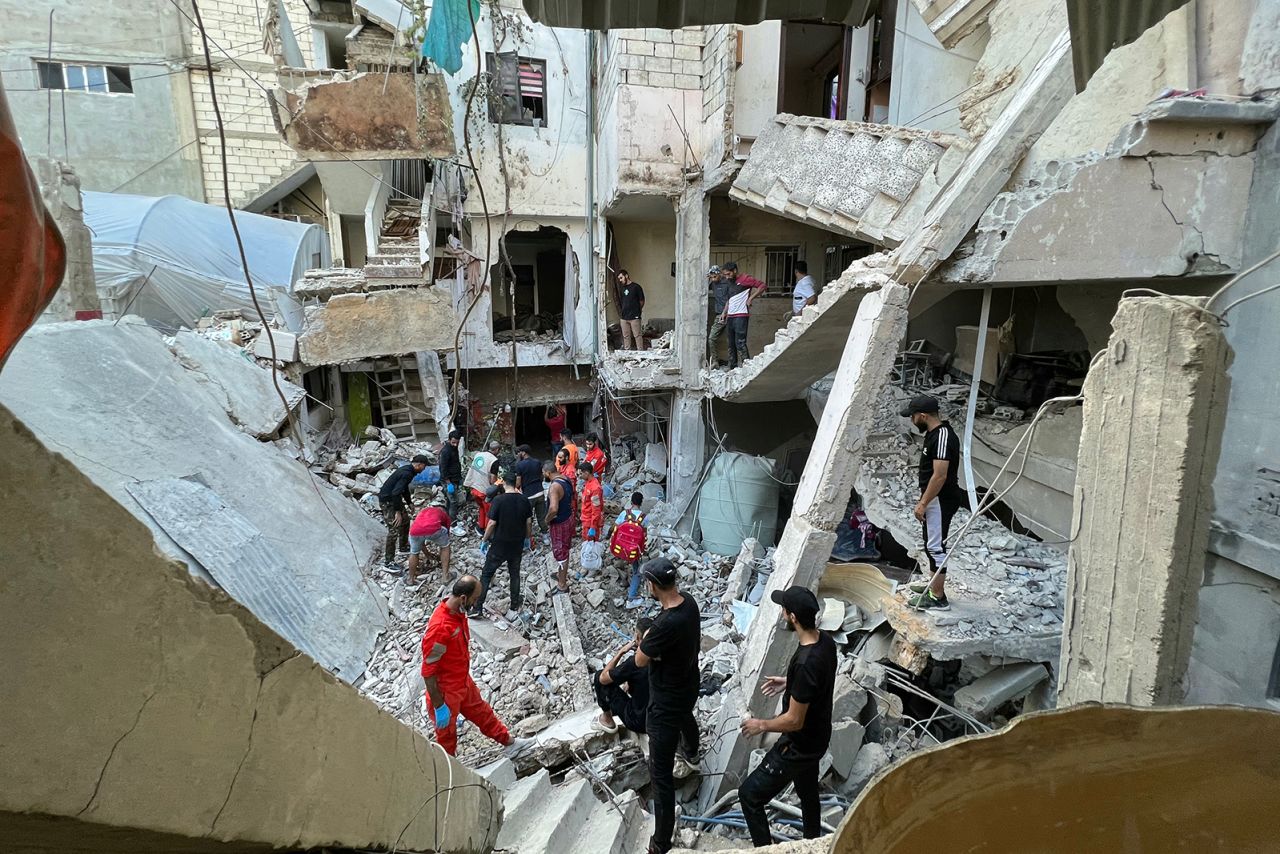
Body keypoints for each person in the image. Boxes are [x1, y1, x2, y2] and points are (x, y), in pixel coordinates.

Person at [738, 585, 838, 847]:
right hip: (817, 739)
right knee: (807, 793)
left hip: (799, 746)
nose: (782, 613)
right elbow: (818, 682)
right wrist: (790, 683)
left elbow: (794, 720)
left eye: (784, 609)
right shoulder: (825, 642)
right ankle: (812, 842)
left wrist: (761, 724)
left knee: (749, 795)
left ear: (793, 617)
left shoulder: (806, 664)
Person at [420, 575, 535, 759]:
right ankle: (449, 774)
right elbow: (428, 672)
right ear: (463, 598)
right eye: (474, 599)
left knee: (482, 713)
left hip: (461, 681)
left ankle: (509, 743)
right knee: (447, 737)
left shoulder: (458, 613)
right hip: (445, 692)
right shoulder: (441, 628)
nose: (476, 604)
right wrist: (439, 705)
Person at [634, 558, 702, 854]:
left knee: (660, 775)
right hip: (687, 685)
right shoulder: (690, 603)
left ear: (652, 585)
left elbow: (639, 660)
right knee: (686, 716)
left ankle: (661, 841)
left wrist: (648, 641)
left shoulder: (664, 624)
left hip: (664, 703)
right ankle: (691, 750)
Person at [900, 394, 965, 610]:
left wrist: (923, 503)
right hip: (934, 499)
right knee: (931, 544)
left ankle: (938, 597)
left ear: (923, 415)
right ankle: (932, 585)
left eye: (913, 416)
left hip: (941, 499)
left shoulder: (943, 436)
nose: (911, 420)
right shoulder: (934, 434)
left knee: (935, 547)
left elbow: (940, 475)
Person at [471, 471, 533, 620]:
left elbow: (492, 523)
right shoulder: (525, 500)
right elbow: (529, 522)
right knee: (514, 574)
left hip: (499, 544)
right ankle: (513, 607)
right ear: (516, 483)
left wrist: (485, 540)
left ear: (504, 483)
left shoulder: (498, 500)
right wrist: (527, 538)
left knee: (486, 575)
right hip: (516, 544)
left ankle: (477, 607)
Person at [592, 616, 653, 735]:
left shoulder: (634, 663)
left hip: (639, 722)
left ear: (637, 637)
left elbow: (603, 679)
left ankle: (607, 719)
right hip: (659, 717)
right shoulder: (662, 657)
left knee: (599, 677)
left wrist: (621, 652)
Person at [378, 454, 430, 566]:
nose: (424, 469)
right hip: (388, 501)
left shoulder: (408, 471)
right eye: (424, 467)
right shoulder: (407, 473)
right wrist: (397, 512)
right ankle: (388, 562)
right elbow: (396, 492)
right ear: (419, 465)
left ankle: (403, 546)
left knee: (405, 521)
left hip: (394, 499)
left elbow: (403, 488)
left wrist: (409, 502)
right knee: (394, 529)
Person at [721, 261, 767, 370]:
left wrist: (751, 298)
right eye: (725, 275)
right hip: (730, 316)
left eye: (729, 274)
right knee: (731, 344)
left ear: (735, 271)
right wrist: (724, 312)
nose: (727, 277)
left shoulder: (745, 279)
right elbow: (729, 300)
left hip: (741, 316)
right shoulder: (729, 282)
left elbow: (762, 286)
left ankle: (746, 367)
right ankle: (732, 367)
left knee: (740, 343)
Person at [609, 491, 650, 609]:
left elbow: (615, 528)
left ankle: (621, 579)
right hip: (633, 551)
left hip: (620, 548)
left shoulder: (624, 513)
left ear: (631, 502)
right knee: (637, 571)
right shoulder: (644, 518)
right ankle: (631, 597)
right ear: (641, 503)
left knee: (619, 561)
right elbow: (644, 535)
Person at [543, 459, 576, 594]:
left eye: (544, 473)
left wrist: (546, 520)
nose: (543, 475)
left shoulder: (554, 487)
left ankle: (562, 584)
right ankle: (560, 574)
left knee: (561, 552)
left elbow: (554, 509)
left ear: (548, 472)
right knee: (565, 548)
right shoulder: (565, 479)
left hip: (559, 523)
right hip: (568, 517)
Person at [407, 499, 451, 585]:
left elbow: (421, 538)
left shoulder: (423, 511)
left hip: (415, 531)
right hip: (434, 528)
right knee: (445, 547)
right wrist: (444, 543)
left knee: (414, 553)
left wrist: (427, 554)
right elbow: (447, 533)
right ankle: (445, 576)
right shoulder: (443, 513)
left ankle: (410, 579)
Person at [514, 444, 546, 537]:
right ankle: (545, 535)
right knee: (541, 516)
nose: (518, 454)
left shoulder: (519, 465)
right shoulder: (537, 462)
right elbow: (541, 475)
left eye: (519, 452)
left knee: (528, 518)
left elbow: (518, 483)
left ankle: (528, 537)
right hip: (540, 492)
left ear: (523, 453)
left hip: (529, 495)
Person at [438, 429, 464, 523]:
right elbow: (443, 468)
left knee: (450, 501)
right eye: (453, 442)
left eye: (457, 443)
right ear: (449, 440)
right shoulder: (445, 451)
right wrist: (448, 483)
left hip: (455, 478)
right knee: (453, 502)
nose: (455, 445)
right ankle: (453, 523)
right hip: (448, 480)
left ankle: (448, 519)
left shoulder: (454, 448)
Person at [616, 269, 646, 351]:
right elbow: (622, 301)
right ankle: (627, 354)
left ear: (626, 276)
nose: (620, 280)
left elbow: (642, 301)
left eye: (621, 278)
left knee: (637, 335)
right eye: (619, 278)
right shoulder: (622, 289)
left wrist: (637, 310)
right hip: (624, 317)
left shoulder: (636, 287)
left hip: (635, 317)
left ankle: (640, 353)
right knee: (626, 336)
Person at [706, 264, 729, 367]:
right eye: (711, 277)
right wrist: (708, 279)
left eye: (715, 276)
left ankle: (734, 363)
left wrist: (725, 312)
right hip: (719, 315)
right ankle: (715, 361)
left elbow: (731, 299)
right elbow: (703, 289)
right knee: (711, 338)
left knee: (732, 340)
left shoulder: (727, 282)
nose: (713, 279)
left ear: (719, 274)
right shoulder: (713, 283)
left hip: (730, 314)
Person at [578, 461, 604, 549]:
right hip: (586, 520)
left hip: (590, 522)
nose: (579, 476)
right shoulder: (588, 483)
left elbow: (596, 509)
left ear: (586, 472)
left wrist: (593, 527)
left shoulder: (595, 488)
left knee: (591, 546)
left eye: (581, 474)